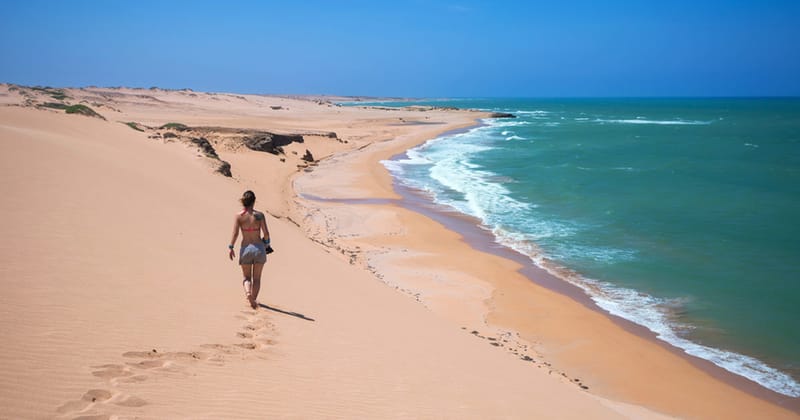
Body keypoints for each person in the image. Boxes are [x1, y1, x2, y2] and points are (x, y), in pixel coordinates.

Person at [228, 190, 271, 309]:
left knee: (246, 278)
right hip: (259, 248)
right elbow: (266, 234)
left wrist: (231, 247)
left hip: (245, 248)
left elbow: (235, 233)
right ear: (254, 201)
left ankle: (248, 294)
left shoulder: (239, 216)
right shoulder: (260, 215)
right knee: (257, 278)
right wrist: (267, 243)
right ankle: (254, 299)